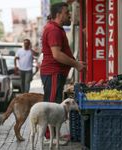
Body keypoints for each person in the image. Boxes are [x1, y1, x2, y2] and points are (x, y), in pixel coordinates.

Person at [40, 2, 86, 139]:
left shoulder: (55, 28)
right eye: (67, 13)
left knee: (54, 102)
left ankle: (53, 134)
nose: (70, 15)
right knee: (53, 105)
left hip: (54, 73)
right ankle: (50, 135)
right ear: (59, 15)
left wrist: (75, 62)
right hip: (53, 72)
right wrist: (76, 64)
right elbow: (57, 55)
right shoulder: (53, 30)